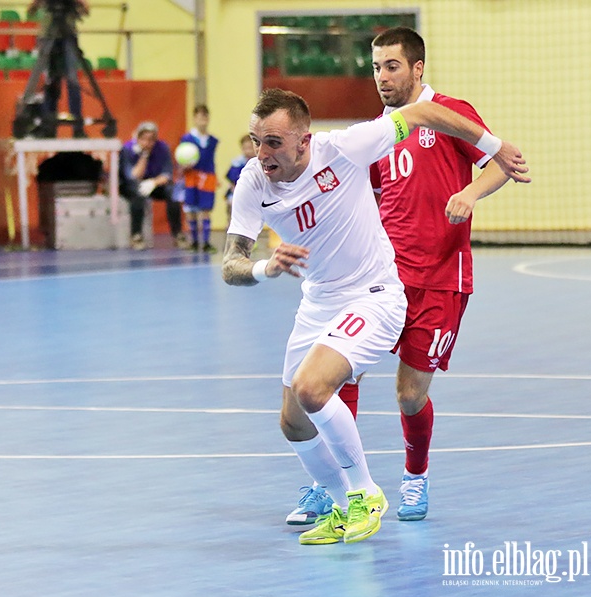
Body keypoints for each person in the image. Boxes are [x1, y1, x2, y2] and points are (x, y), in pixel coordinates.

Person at [222, 88, 528, 545]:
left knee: (312, 388)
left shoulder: (346, 146)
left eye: (272, 143)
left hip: (374, 294)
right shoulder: (253, 182)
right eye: (255, 140)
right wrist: (267, 268)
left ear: (304, 140)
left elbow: (423, 112)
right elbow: (231, 264)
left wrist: (493, 146)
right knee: (293, 422)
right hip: (318, 300)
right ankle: (340, 505)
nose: (261, 153)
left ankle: (365, 493)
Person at [368, 27, 517, 521]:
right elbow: (372, 199)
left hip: (439, 279)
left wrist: (470, 194)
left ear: (417, 68)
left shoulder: (452, 112)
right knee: (339, 367)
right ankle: (338, 484)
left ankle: (415, 477)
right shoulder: (377, 131)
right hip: (382, 278)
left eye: (392, 66)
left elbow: (501, 162)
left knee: (410, 394)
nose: (382, 77)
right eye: (375, 67)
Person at [119, 121, 185, 250]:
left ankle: (178, 234)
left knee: (172, 193)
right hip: (132, 185)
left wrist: (153, 183)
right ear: (137, 138)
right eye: (143, 139)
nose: (147, 143)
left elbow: (167, 174)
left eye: (151, 140)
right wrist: (143, 155)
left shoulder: (162, 148)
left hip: (154, 183)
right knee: (138, 196)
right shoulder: (127, 149)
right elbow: (133, 176)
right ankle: (136, 235)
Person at [27, 0, 88, 138]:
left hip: (68, 35)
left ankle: (77, 126)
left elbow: (86, 10)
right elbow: (31, 10)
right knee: (50, 81)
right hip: (48, 35)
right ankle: (48, 126)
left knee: (72, 80)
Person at [180, 105, 219, 253]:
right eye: (199, 116)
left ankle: (207, 242)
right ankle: (195, 241)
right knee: (191, 209)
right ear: (194, 118)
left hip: (207, 176)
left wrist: (216, 176)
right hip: (192, 177)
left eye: (205, 116)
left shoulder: (213, 140)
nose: (203, 120)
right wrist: (184, 166)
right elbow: (181, 158)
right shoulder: (187, 138)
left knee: (206, 209)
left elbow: (212, 160)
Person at [223, 134, 255, 226]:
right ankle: (230, 225)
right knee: (231, 203)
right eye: (245, 148)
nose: (247, 151)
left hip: (253, 193)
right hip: (237, 191)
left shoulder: (259, 162)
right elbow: (232, 180)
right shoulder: (237, 162)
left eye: (250, 148)